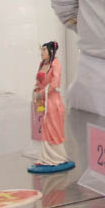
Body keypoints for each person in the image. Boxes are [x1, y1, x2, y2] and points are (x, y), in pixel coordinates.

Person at [29, 41, 74, 173]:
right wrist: (36, 91)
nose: (42, 53)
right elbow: (39, 81)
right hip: (43, 101)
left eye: (44, 50)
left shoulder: (56, 64)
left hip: (53, 102)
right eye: (41, 50)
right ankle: (46, 157)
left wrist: (41, 93)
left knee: (54, 129)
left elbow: (54, 84)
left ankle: (57, 157)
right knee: (45, 128)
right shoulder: (42, 64)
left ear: (51, 51)